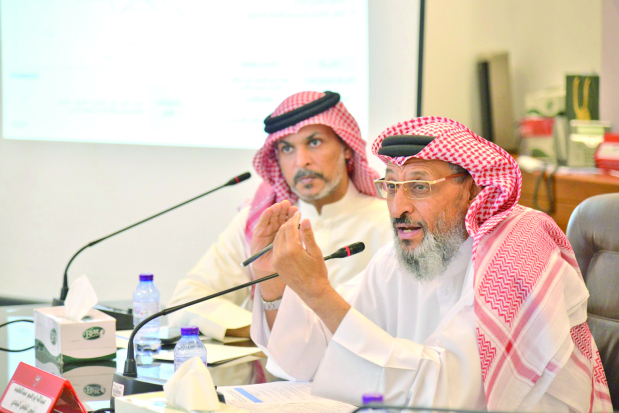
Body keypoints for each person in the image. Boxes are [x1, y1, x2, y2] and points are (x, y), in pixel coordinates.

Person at [250, 116, 613, 411]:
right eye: (391, 186)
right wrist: (272, 284)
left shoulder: (518, 250)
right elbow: (310, 359)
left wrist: (318, 293)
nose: (399, 208)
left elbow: (453, 393)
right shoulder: (401, 259)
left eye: (419, 186)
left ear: (472, 188)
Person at [167, 91, 392, 344]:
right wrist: (270, 334)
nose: (302, 162)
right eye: (287, 148)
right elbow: (187, 300)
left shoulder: (390, 222)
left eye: (315, 142)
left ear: (346, 148)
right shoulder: (262, 222)